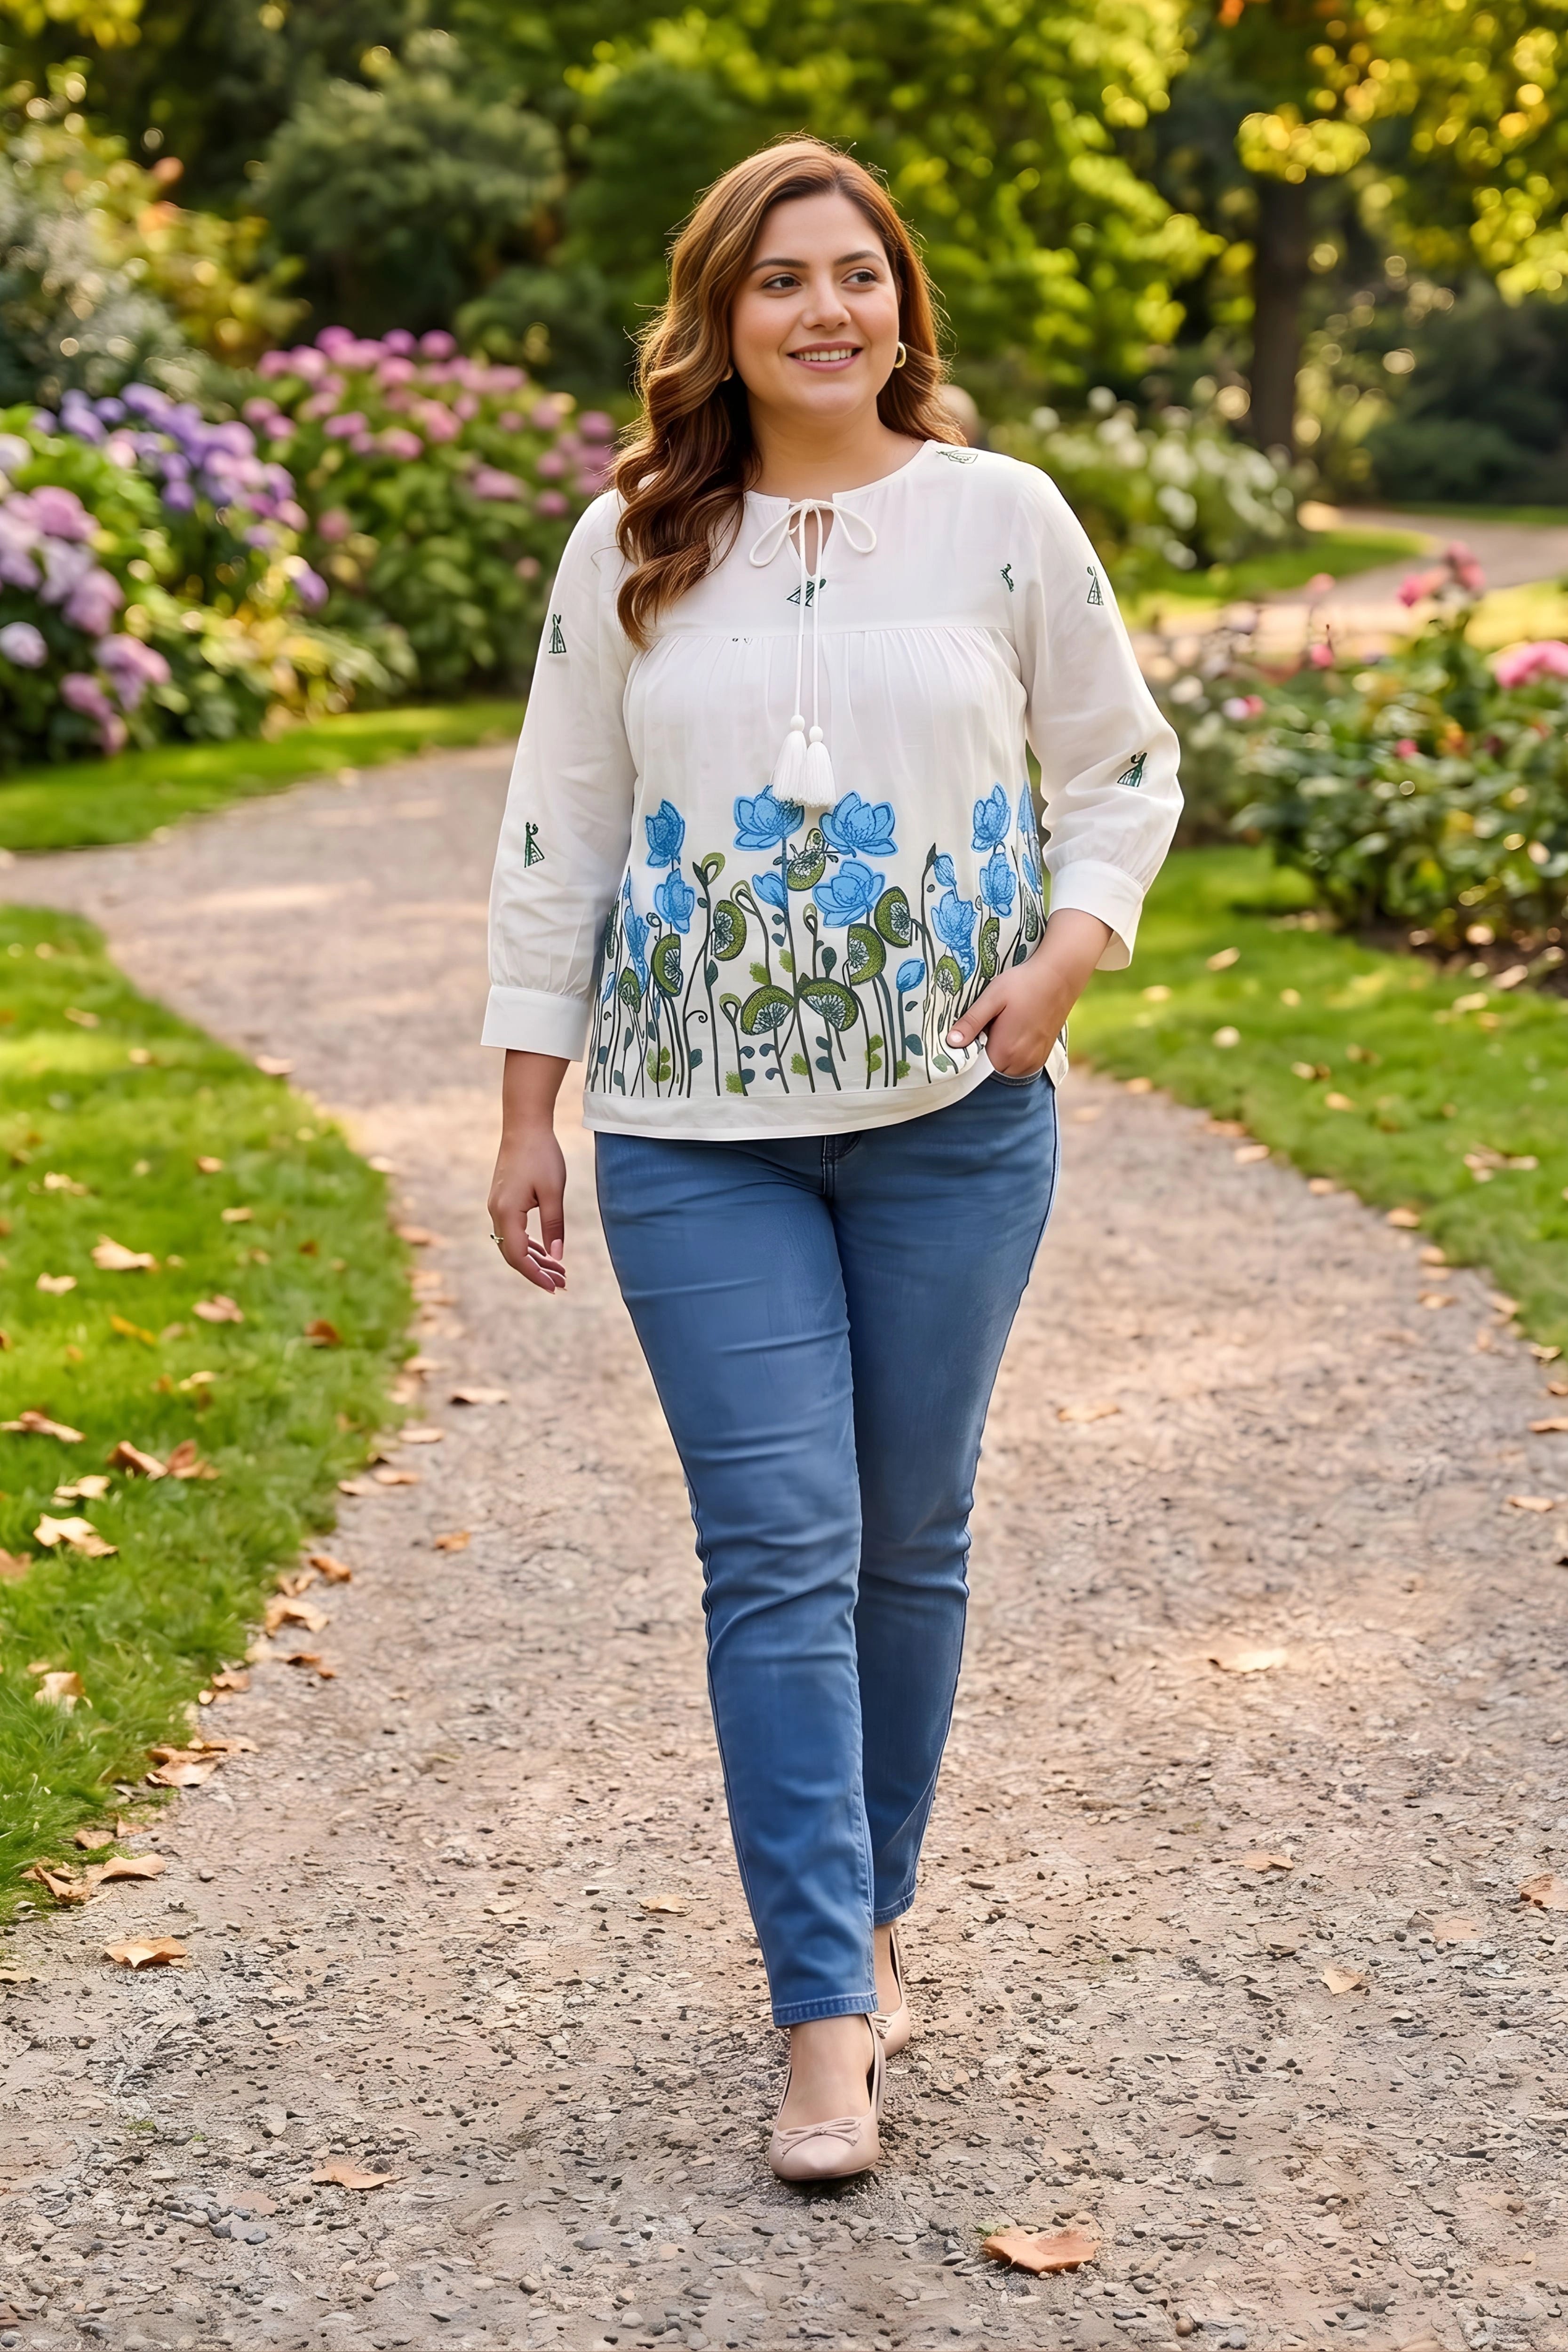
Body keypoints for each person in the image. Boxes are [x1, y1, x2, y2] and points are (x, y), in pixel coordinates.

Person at [484, 136, 1180, 2183]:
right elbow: (560, 831)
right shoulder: (634, 539)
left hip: (958, 1123)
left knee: (907, 1531)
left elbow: (1122, 767)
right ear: (719, 315)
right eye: (779, 280)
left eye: (856, 275)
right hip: (697, 1136)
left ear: (903, 305)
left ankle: (868, 1904)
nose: (822, 311)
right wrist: (527, 1107)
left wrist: (1066, 955)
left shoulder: (1001, 518)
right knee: (777, 1540)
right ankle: (820, 2012)